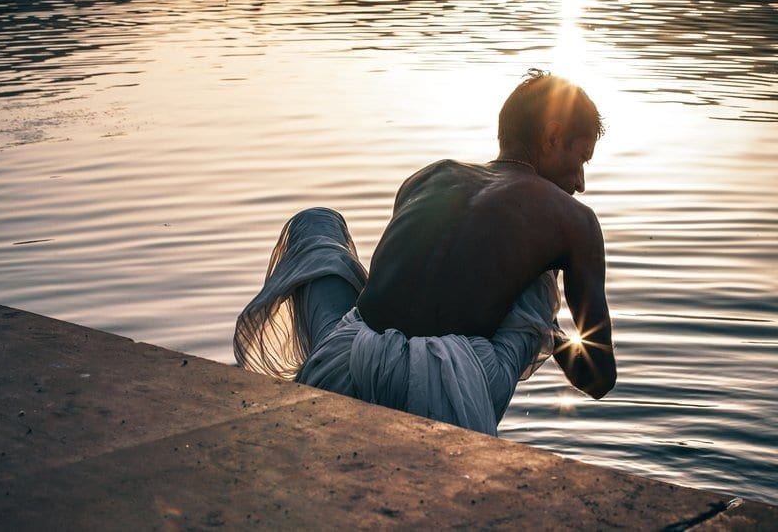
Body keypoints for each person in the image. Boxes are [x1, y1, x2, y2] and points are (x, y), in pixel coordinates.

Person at [234, 69, 616, 436]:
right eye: (581, 160)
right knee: (538, 280)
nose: (579, 183)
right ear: (552, 136)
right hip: (449, 393)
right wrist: (550, 334)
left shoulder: (427, 177)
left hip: (342, 364)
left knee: (316, 221)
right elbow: (599, 377)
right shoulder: (574, 220)